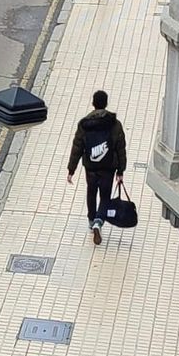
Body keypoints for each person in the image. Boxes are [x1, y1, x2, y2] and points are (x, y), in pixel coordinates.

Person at [67, 89, 127, 245]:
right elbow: (120, 148)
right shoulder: (114, 124)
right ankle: (99, 221)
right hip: (108, 166)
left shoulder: (84, 124)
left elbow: (77, 147)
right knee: (105, 195)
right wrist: (121, 170)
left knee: (91, 191)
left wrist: (71, 170)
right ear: (106, 103)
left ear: (93, 103)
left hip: (91, 166)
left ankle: (91, 219)